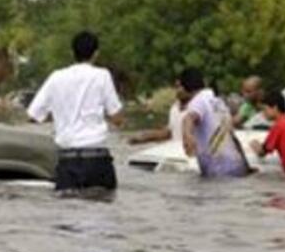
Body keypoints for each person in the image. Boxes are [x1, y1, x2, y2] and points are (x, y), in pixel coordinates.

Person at [27, 31, 123, 192]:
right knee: (103, 210)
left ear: (72, 53)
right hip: (97, 160)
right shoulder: (102, 75)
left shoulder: (56, 77)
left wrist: (61, 114)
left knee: (67, 211)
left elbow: (33, 116)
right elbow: (117, 118)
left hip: (67, 162)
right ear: (96, 54)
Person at [178, 68, 250, 178]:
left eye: (179, 87)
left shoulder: (197, 101)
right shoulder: (219, 103)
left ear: (185, 87)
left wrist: (187, 135)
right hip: (237, 165)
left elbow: (188, 118)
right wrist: (247, 167)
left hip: (218, 170)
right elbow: (233, 137)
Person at [127, 74, 191, 146]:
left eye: (182, 87)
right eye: (176, 87)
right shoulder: (174, 108)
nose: (178, 90)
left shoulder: (197, 109)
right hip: (175, 151)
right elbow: (168, 133)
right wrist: (144, 137)